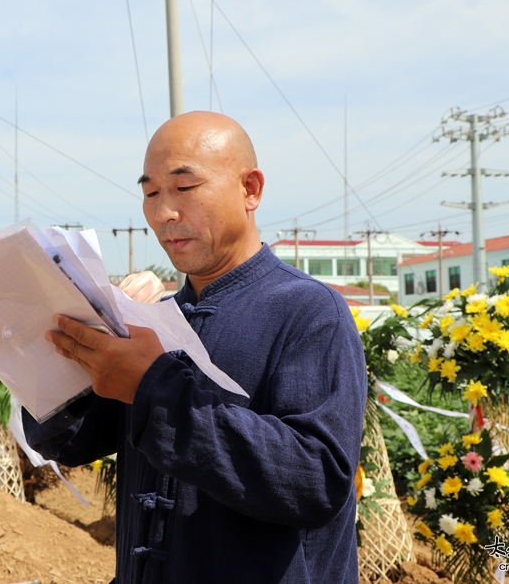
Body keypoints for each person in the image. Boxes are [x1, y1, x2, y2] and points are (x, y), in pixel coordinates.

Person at [23, 111, 367, 584]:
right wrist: (43, 352)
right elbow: (70, 442)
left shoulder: (308, 311)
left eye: (184, 188)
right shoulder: (155, 320)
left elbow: (315, 480)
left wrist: (153, 389)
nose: (164, 213)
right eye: (150, 193)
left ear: (251, 190)